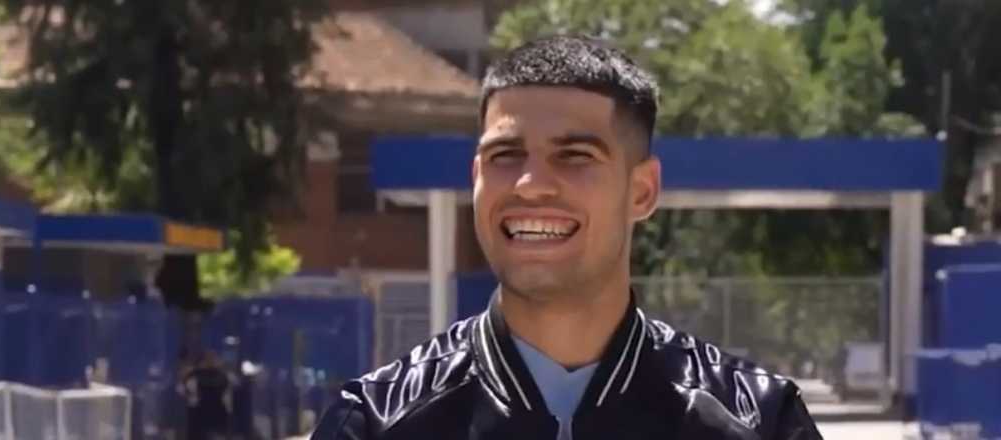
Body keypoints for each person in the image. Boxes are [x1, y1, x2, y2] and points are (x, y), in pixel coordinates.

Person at [312, 35, 822, 439]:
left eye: (575, 157)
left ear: (642, 191)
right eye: (505, 156)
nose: (530, 185)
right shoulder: (375, 422)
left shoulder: (760, 421)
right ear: (476, 179)